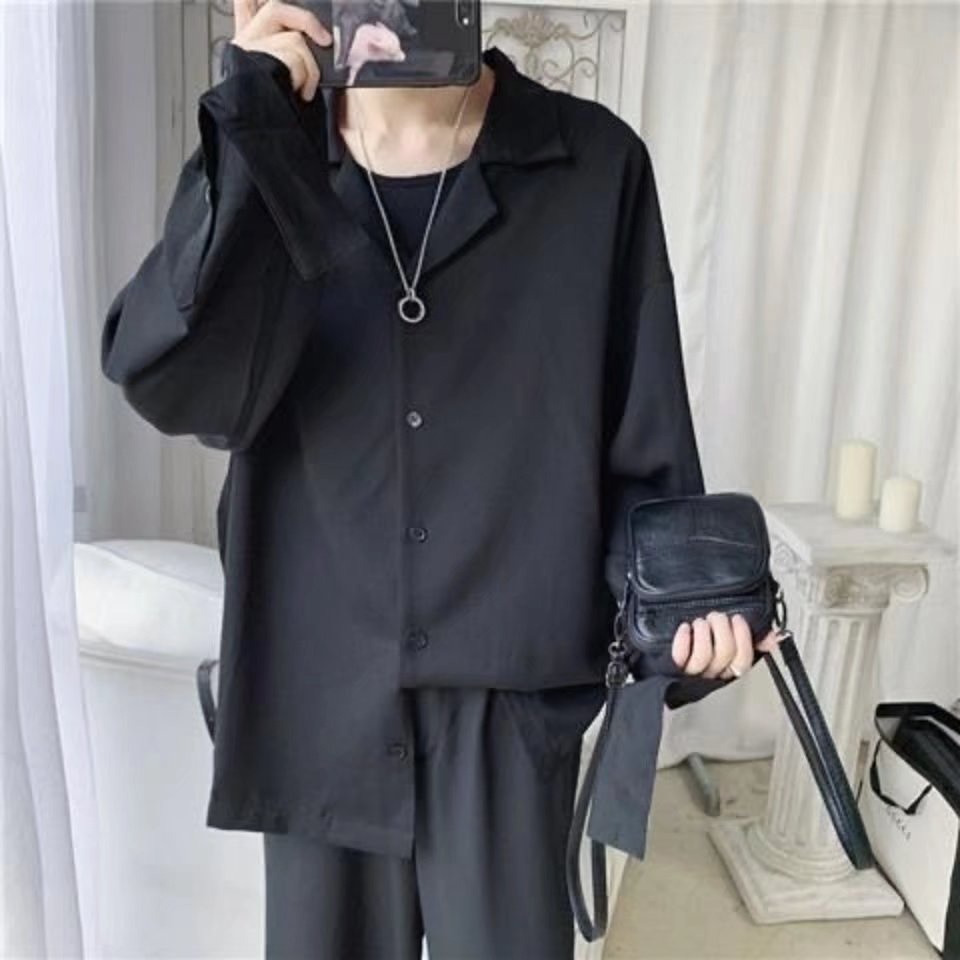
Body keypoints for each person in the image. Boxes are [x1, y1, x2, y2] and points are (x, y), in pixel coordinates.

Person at [100, 1, 782, 956]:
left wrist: (683, 614)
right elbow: (174, 384)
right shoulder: (271, 160)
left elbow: (645, 443)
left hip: (511, 707)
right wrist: (250, 123)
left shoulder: (593, 167)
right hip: (319, 692)